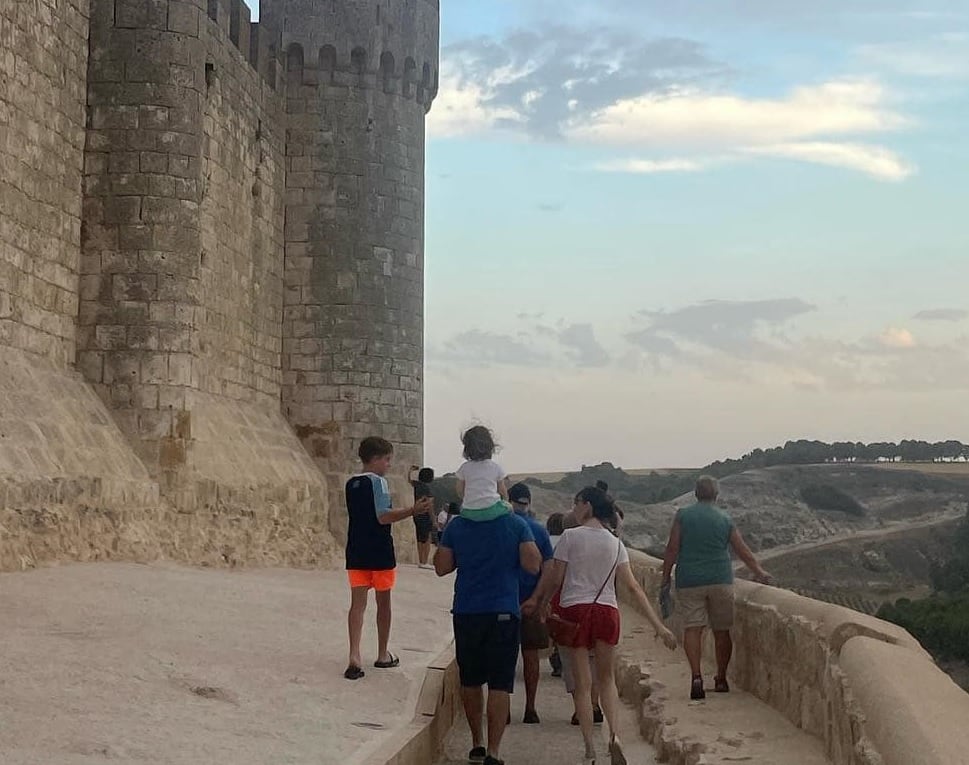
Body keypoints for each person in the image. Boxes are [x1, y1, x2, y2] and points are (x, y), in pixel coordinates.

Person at [524, 487, 676, 765]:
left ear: (588, 507)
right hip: (607, 611)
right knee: (606, 680)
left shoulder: (570, 537)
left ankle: (589, 750)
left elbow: (556, 579)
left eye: (577, 502)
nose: (573, 507)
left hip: (575, 611)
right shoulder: (616, 544)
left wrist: (543, 603)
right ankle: (614, 736)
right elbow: (633, 587)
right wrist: (659, 626)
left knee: (583, 685)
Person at [435, 484, 542, 765]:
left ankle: (477, 743)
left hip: (467, 610)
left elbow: (441, 567)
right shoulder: (516, 524)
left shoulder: (457, 526)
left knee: (470, 680)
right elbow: (533, 564)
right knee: (499, 684)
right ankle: (494, 752)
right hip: (503, 610)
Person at [661, 475, 771, 700]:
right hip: (720, 579)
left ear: (696, 493)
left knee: (693, 628)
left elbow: (672, 549)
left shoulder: (683, 516)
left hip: (689, 580)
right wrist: (759, 571)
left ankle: (696, 677)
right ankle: (721, 678)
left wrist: (664, 578)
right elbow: (741, 549)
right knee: (722, 630)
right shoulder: (725, 518)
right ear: (716, 495)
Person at [344, 437, 433, 680]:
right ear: (375, 458)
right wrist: (412, 511)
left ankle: (354, 655)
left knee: (357, 605)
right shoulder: (379, 483)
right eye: (386, 459)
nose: (388, 464)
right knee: (384, 605)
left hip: (356, 550)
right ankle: (382, 654)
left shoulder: (351, 484)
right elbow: (383, 517)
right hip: (380, 551)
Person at [508, 483, 555, 724]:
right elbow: (549, 568)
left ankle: (502, 708)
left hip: (504, 601)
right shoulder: (538, 530)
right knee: (531, 656)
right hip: (531, 602)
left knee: (503, 657)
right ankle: (530, 707)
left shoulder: (502, 526)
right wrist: (538, 599)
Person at [455, 426, 509, 521]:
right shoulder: (495, 467)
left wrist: (468, 499)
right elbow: (502, 491)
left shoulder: (464, 467)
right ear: (490, 447)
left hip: (470, 511)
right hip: (492, 509)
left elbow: (459, 489)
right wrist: (505, 502)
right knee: (509, 509)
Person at [410, 466, 436, 568]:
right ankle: (424, 561)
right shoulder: (426, 488)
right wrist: (433, 519)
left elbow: (410, 480)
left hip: (416, 514)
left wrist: (411, 470)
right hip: (425, 515)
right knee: (427, 538)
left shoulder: (417, 485)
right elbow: (429, 505)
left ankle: (421, 560)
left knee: (420, 538)